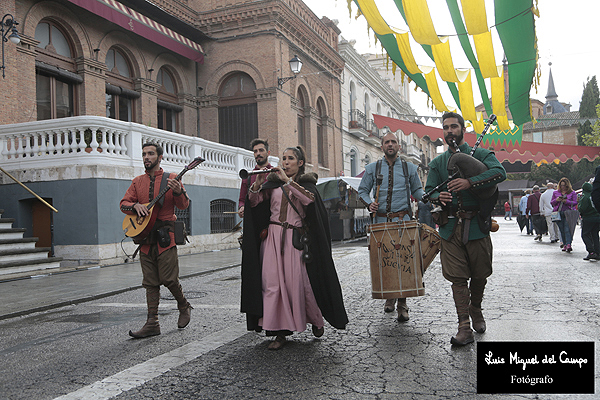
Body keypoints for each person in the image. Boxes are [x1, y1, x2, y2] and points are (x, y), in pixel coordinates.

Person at [240, 146, 348, 350]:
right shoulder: (271, 184)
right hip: (271, 238)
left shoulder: (305, 183)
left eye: (290, 158)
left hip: (294, 239)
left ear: (300, 163)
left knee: (299, 284)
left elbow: (309, 200)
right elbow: (254, 204)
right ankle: (278, 332)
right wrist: (258, 186)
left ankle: (316, 319)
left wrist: (287, 182)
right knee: (272, 285)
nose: (286, 162)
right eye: (283, 158)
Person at [424, 112, 506, 346]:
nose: (449, 131)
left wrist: (470, 182)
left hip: (477, 226)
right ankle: (464, 327)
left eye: (453, 126)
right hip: (450, 227)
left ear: (462, 129)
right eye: (446, 127)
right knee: (458, 279)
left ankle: (476, 309)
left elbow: (500, 173)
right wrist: (440, 194)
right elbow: (428, 191)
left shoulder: (480, 154)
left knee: (480, 274)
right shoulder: (438, 163)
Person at [120, 143, 193, 338]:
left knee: (169, 278)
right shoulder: (137, 181)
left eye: (151, 154)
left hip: (165, 238)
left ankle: (184, 305)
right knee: (150, 282)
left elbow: (184, 205)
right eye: (144, 154)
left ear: (160, 157)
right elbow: (124, 204)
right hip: (144, 238)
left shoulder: (171, 179)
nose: (146, 157)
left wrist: (178, 191)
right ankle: (152, 322)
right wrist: (135, 206)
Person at [358, 132, 424, 321]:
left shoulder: (410, 168)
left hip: (403, 221)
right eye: (386, 142)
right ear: (382, 147)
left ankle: (402, 304)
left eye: (393, 142)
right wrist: (369, 203)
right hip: (380, 223)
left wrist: (428, 198)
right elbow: (362, 191)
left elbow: (418, 191)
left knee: (404, 262)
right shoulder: (372, 168)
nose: (390, 144)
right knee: (385, 260)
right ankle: (389, 297)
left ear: (399, 147)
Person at [238, 138, 272, 218]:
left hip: (273, 221)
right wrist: (241, 207)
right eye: (255, 151)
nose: (258, 153)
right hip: (254, 221)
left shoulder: (277, 173)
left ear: (268, 153)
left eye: (261, 150)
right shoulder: (248, 176)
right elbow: (242, 200)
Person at [551, 177, 578, 253]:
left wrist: (566, 201)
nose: (563, 187)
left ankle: (569, 244)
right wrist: (556, 200)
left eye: (564, 185)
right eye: (561, 185)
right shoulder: (555, 193)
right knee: (561, 229)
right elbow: (552, 203)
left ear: (567, 186)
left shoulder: (572, 193)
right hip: (558, 212)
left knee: (567, 229)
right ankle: (565, 244)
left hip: (568, 212)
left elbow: (575, 203)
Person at [578, 182, 600, 260]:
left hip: (588, 217)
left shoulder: (585, 197)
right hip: (597, 217)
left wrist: (579, 206)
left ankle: (591, 251)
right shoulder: (595, 196)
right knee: (595, 234)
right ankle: (598, 252)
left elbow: (582, 209)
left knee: (585, 234)